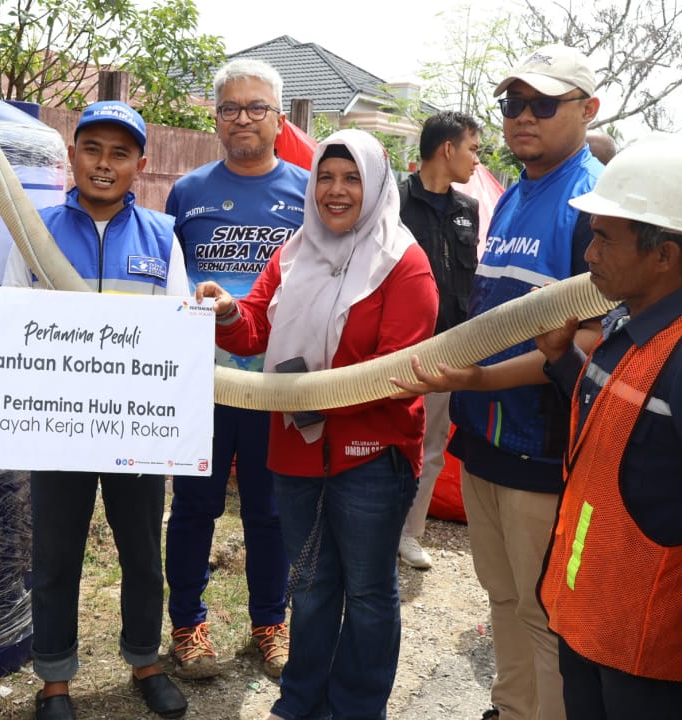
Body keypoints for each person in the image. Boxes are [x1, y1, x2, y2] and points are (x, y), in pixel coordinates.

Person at [391, 44, 604, 720]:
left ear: (588, 109)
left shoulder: (593, 202)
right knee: (504, 599)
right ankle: (512, 709)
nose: (522, 117)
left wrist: (478, 379)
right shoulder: (513, 195)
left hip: (543, 455)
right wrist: (473, 386)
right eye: (513, 103)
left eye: (543, 103)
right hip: (484, 443)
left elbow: (587, 347)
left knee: (545, 613)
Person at [198, 129, 437, 720]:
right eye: (325, 177)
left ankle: (357, 709)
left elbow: (394, 372)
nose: (335, 190)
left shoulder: (404, 265)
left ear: (376, 186)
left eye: (351, 178)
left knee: (368, 592)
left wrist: (308, 393)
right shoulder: (294, 252)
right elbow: (255, 326)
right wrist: (228, 311)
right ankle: (300, 703)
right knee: (308, 585)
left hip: (370, 458)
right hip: (297, 453)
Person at [534, 136, 682, 719]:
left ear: (664, 255)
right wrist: (563, 361)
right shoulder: (629, 325)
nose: (588, 253)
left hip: (641, 642)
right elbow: (626, 425)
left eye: (604, 238)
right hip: (588, 617)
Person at [2, 101, 190, 720]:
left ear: (140, 162)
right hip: (60, 430)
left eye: (119, 153)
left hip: (136, 429)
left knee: (142, 553)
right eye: (91, 149)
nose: (103, 164)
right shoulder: (35, 229)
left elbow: (180, 334)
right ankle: (54, 681)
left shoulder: (164, 237)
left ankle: (145, 660)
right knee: (55, 557)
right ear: (73, 156)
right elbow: (10, 322)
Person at [162, 57, 304, 680]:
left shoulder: (309, 190)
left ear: (279, 118)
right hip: (202, 381)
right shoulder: (187, 192)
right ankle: (188, 626)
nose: (242, 118)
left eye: (256, 108)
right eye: (229, 108)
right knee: (194, 505)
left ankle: (270, 623)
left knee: (270, 510)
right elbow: (170, 277)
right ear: (215, 118)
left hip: (276, 380)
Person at [395, 111, 482, 570]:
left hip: (447, 349)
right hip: (395, 350)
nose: (476, 159)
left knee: (431, 449)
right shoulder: (393, 201)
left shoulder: (469, 210)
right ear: (447, 149)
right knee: (382, 441)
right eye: (473, 148)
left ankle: (410, 534)